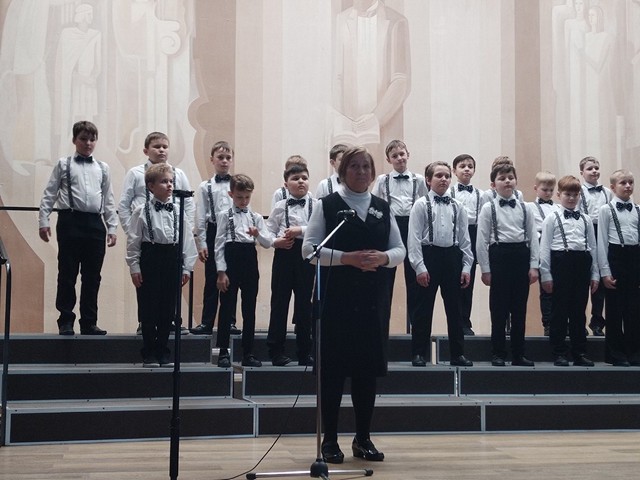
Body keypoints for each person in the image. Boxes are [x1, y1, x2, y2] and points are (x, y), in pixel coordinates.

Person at [302, 146, 405, 464]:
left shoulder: (382, 207)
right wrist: (347, 258)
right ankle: (330, 440)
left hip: (372, 302)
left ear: (373, 173)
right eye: (354, 166)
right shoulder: (328, 205)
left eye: (366, 167)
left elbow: (399, 249)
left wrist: (383, 257)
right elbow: (309, 250)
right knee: (333, 374)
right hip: (337, 302)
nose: (361, 172)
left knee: (366, 373)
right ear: (342, 171)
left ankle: (363, 439)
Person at [38, 120, 117, 335]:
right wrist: (43, 221)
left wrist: (112, 227)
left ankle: (89, 322)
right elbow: (49, 193)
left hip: (95, 224)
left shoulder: (103, 168)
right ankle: (65, 320)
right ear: (74, 140)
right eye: (83, 139)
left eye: (92, 139)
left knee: (93, 276)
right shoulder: (63, 164)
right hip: (70, 221)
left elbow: (108, 199)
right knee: (67, 273)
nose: (88, 143)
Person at [118, 131, 194, 335]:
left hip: (171, 237)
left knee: (171, 287)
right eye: (156, 146)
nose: (161, 150)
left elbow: (188, 205)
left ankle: (170, 321)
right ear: (146, 150)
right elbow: (124, 204)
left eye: (164, 146)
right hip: (146, 235)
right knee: (146, 286)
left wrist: (183, 232)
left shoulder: (178, 174)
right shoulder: (135, 173)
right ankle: (145, 323)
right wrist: (134, 231)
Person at [125, 163, 197, 367]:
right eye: (164, 182)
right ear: (151, 186)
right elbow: (133, 241)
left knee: (168, 308)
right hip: (150, 257)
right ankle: (148, 351)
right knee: (148, 308)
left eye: (171, 181)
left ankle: (163, 350)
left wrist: (187, 267)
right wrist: (134, 267)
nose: (169, 185)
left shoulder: (178, 211)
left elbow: (187, 241)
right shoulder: (140, 211)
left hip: (172, 258)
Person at [407, 161, 473, 368]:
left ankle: (457, 354)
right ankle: (419, 353)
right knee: (423, 309)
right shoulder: (420, 205)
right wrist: (419, 267)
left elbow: (465, 239)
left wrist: (466, 266)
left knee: (455, 309)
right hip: (429, 256)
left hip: (451, 257)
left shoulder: (458, 206)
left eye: (446, 176)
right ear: (428, 180)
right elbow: (413, 238)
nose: (444, 179)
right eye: (438, 175)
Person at [477, 163, 539, 367]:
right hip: (499, 256)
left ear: (516, 181)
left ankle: (518, 354)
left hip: (521, 255)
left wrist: (534, 266)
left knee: (519, 309)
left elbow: (533, 238)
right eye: (502, 178)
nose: (507, 181)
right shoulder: (488, 208)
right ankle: (498, 353)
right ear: (493, 184)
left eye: (510, 177)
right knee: (499, 309)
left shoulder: (526, 207)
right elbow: (481, 240)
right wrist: (485, 269)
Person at [540, 175, 598, 367]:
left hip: (581, 262)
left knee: (579, 311)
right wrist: (546, 274)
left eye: (575, 195)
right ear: (559, 195)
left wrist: (595, 274)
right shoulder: (552, 218)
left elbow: (593, 247)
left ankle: (579, 352)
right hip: (560, 262)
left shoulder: (586, 219)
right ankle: (559, 352)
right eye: (568, 194)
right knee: (559, 310)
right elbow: (544, 247)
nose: (572, 198)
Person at [215, 174, 272, 368]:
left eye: (247, 197)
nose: (244, 201)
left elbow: (267, 243)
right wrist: (221, 272)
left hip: (249, 260)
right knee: (226, 307)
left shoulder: (256, 217)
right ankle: (223, 351)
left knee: (249, 309)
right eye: (239, 197)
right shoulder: (224, 215)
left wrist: (258, 234)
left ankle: (248, 352)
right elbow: (219, 245)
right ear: (231, 194)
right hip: (231, 259)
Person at [372, 140, 427, 334]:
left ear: (408, 154)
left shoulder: (419, 179)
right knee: (386, 278)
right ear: (389, 160)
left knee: (414, 277)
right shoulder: (383, 180)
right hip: (390, 228)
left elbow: (425, 205)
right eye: (394, 156)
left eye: (402, 154)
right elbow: (373, 204)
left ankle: (416, 329)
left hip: (412, 227)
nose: (399, 158)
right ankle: (382, 327)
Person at [265, 163, 315, 366]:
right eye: (295, 178)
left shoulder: (317, 205)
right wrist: (276, 242)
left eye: (304, 177)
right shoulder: (280, 206)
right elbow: (268, 230)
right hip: (284, 255)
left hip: (307, 256)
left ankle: (305, 352)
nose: (301, 181)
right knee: (279, 302)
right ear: (286, 184)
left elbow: (320, 229)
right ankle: (276, 351)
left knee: (304, 304)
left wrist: (300, 230)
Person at [190, 141, 241, 336]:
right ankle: (207, 322)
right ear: (212, 160)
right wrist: (201, 243)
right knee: (212, 279)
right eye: (220, 157)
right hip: (213, 231)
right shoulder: (205, 187)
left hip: (233, 233)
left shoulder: (238, 184)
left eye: (228, 158)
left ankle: (230, 322)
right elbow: (200, 217)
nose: (224, 161)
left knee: (232, 278)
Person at [597, 169, 640, 367]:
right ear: (613, 187)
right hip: (616, 258)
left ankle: (634, 352)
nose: (628, 186)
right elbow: (602, 241)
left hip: (634, 259)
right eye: (623, 183)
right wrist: (605, 271)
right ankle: (615, 353)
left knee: (634, 310)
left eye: (630, 182)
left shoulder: (638, 209)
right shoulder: (606, 210)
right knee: (615, 310)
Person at [449, 154, 484, 336]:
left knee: (468, 281)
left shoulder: (481, 194)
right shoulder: (449, 193)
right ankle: (455, 322)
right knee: (453, 281)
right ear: (454, 171)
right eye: (462, 166)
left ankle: (465, 322)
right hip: (454, 234)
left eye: (470, 166)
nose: (467, 169)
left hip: (473, 232)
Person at [579, 156, 612, 336]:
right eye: (590, 168)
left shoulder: (607, 192)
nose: (594, 171)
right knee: (585, 279)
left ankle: (597, 322)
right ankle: (579, 322)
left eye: (596, 168)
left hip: (604, 233)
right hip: (585, 233)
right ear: (582, 172)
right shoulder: (578, 192)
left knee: (601, 282)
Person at [529, 171, 558, 336]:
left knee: (559, 287)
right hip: (540, 245)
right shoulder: (530, 207)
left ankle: (562, 321)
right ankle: (548, 322)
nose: (548, 193)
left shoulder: (558, 208)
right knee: (546, 287)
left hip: (557, 246)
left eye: (551, 190)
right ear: (536, 188)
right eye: (544, 189)